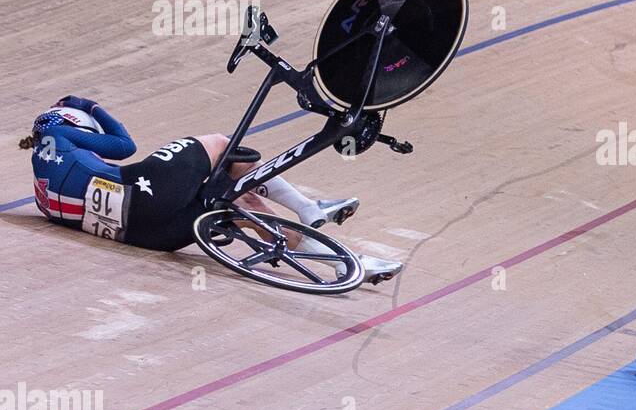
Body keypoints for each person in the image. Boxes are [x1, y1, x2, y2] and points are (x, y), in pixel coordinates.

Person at [20, 96, 401, 282]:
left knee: (242, 202)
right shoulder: (54, 131)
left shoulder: (41, 193)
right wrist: (90, 104)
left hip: (145, 235)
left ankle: (346, 266)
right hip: (141, 194)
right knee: (220, 143)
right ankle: (306, 208)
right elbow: (125, 146)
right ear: (72, 123)